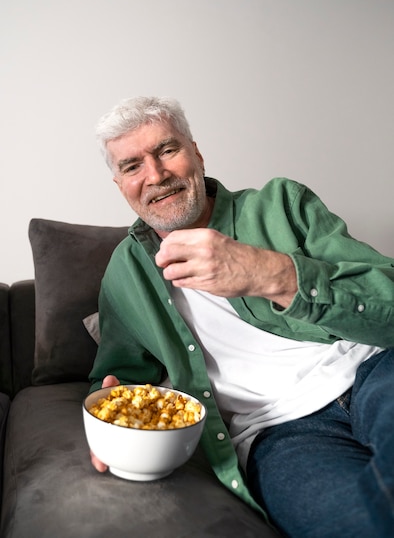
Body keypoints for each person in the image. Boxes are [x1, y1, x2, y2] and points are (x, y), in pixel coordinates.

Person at [89, 96, 394, 538]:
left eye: (167, 150)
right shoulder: (125, 273)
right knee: (360, 524)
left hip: (372, 370)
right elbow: (117, 374)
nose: (155, 175)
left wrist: (270, 274)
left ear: (197, 153)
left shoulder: (281, 203)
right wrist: (111, 416)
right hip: (279, 433)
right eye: (133, 166)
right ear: (120, 184)